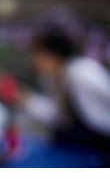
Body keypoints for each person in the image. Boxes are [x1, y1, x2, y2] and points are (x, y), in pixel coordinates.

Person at [28, 27, 110, 157]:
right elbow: (58, 117)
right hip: (78, 150)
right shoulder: (54, 77)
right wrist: (24, 98)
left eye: (38, 53)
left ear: (53, 55)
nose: (33, 59)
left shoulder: (84, 74)